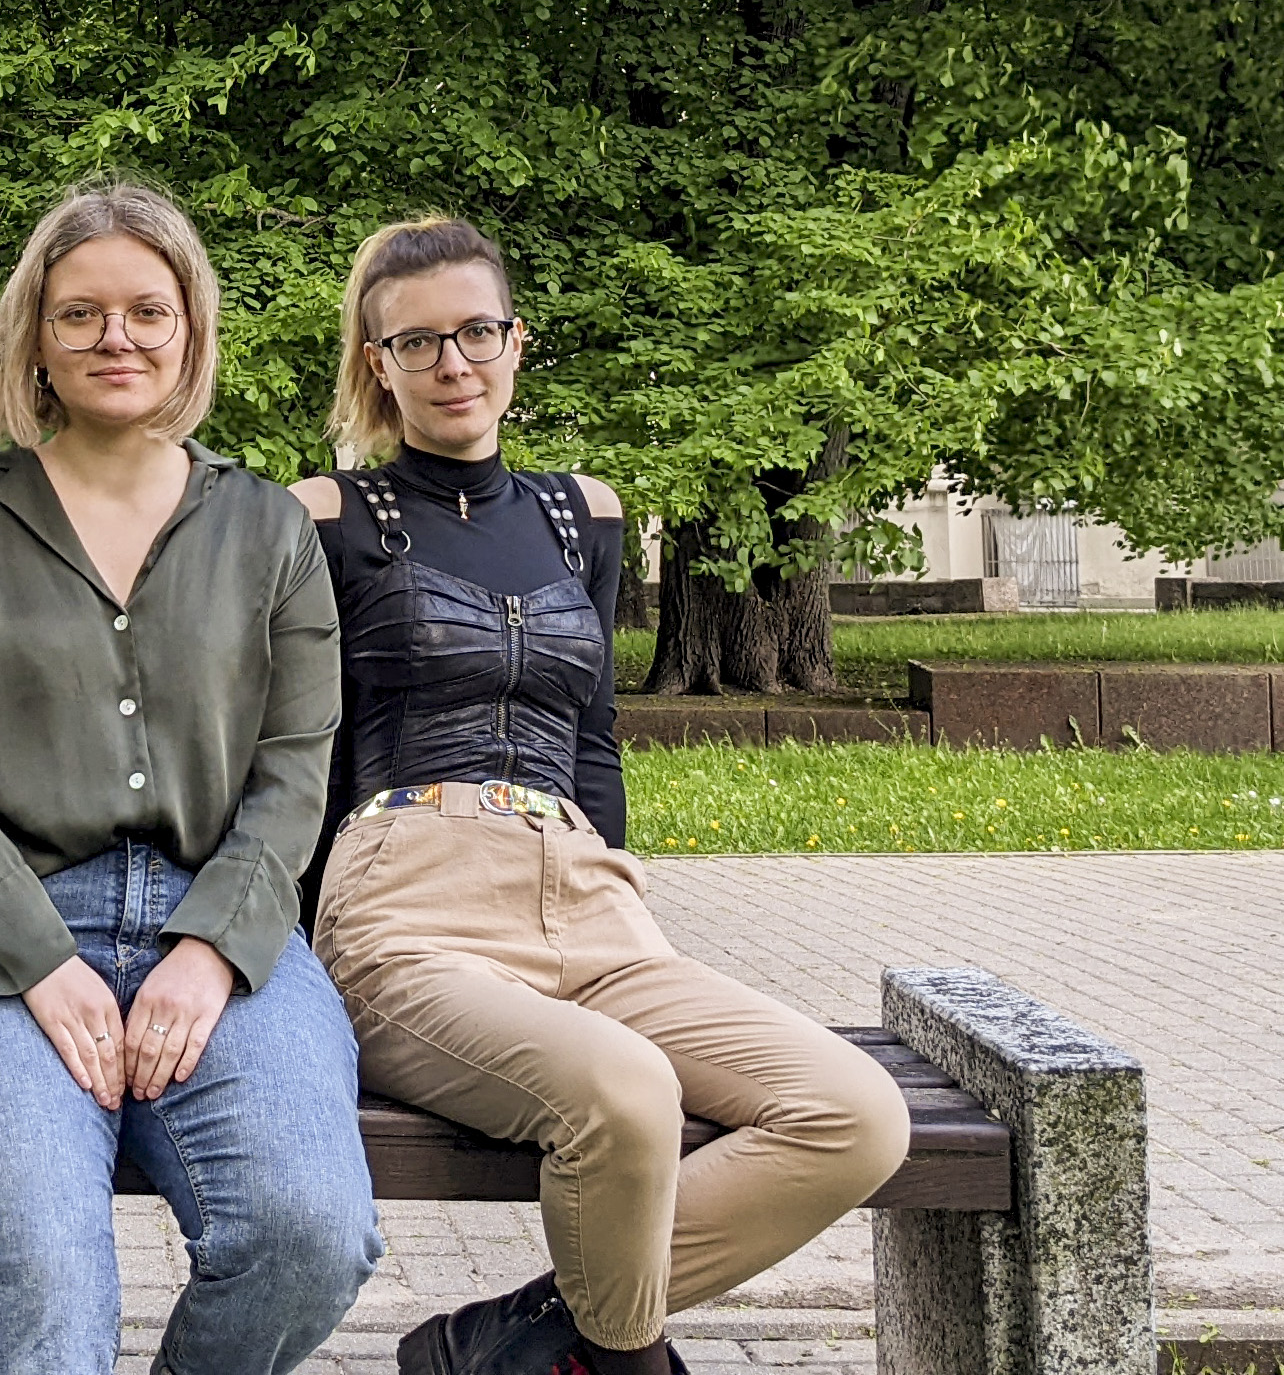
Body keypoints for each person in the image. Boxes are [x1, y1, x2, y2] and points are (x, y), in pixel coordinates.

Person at [290, 218, 910, 1375]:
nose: (454, 363)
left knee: (856, 1116)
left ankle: (520, 1336)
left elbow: (594, 740)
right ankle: (625, 1362)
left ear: (517, 341)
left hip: (591, 912)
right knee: (626, 1090)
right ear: (379, 362)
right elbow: (303, 757)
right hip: (406, 919)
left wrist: (613, 894)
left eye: (477, 332)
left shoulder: (586, 515)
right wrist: (291, 967)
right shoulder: (327, 517)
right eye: (417, 342)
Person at [0, 183, 382, 1375]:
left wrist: (213, 950)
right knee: (48, 1289)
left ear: (191, 329)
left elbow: (295, 770)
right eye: (80, 314)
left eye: (148, 311)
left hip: (220, 932)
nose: (116, 339)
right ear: (36, 338)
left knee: (309, 1236)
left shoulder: (269, 530)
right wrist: (39, 959)